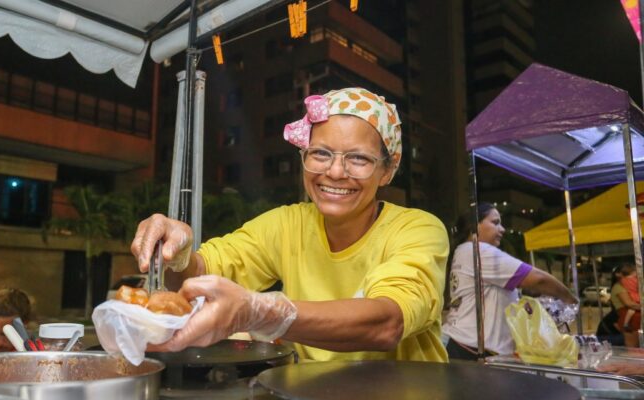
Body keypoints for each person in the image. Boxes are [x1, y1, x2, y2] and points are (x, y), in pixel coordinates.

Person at [131, 87, 450, 362]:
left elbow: (387, 324)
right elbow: (201, 276)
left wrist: (261, 312)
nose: (336, 172)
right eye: (320, 154)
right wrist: (177, 254)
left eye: (358, 159)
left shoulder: (418, 230)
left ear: (387, 170)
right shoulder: (286, 225)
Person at [442, 203, 577, 360]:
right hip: (472, 348)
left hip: (462, 343)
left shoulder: (463, 251)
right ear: (475, 225)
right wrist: (569, 298)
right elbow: (539, 279)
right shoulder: (479, 251)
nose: (502, 229)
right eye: (495, 222)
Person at [610, 263, 641, 347]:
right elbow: (629, 304)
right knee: (633, 345)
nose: (635, 279)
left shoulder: (632, 286)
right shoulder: (618, 287)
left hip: (634, 316)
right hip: (629, 317)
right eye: (634, 276)